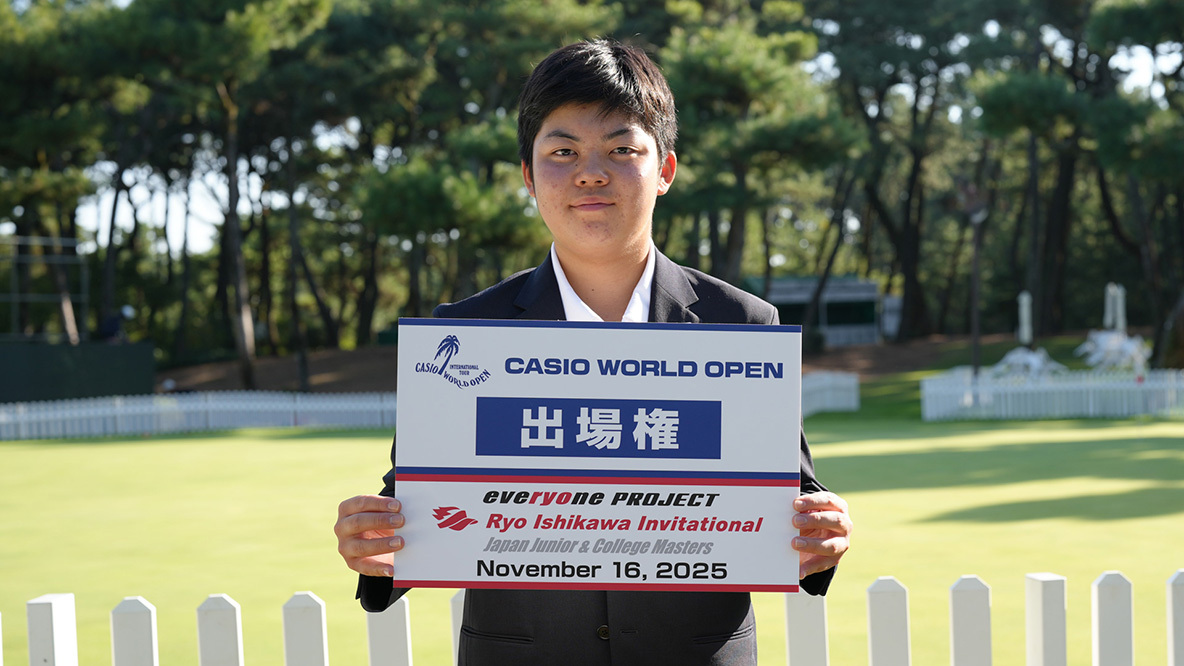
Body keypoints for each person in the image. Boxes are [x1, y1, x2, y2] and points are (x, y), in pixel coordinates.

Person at [335, 39, 852, 665]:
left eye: (621, 149)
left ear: (665, 170)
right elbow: (420, 512)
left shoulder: (742, 324)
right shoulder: (463, 336)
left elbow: (789, 505)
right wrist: (374, 543)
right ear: (529, 177)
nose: (590, 173)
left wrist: (821, 533)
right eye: (563, 152)